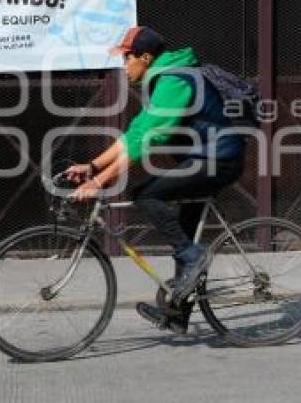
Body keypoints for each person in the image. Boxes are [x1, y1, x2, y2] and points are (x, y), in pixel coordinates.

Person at [67, 26, 246, 334]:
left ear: (146, 58)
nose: (124, 67)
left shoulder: (176, 80)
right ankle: (177, 314)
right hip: (204, 160)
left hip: (219, 160)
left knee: (146, 196)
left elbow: (146, 142)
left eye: (127, 59)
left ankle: (194, 258)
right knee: (183, 235)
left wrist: (99, 183)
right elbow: (135, 134)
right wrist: (93, 166)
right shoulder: (165, 78)